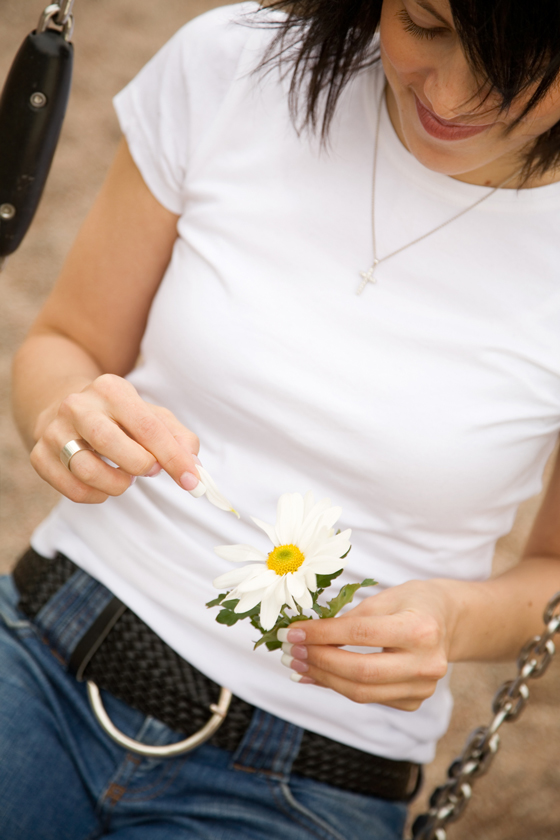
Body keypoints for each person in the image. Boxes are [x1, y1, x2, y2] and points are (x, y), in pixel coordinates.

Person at [3, 1, 560, 837]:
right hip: (53, 648)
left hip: (312, 772)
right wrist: (65, 414)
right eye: (426, 24)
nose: (453, 93)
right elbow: (67, 342)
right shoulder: (239, 66)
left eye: (524, 64)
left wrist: (451, 617)